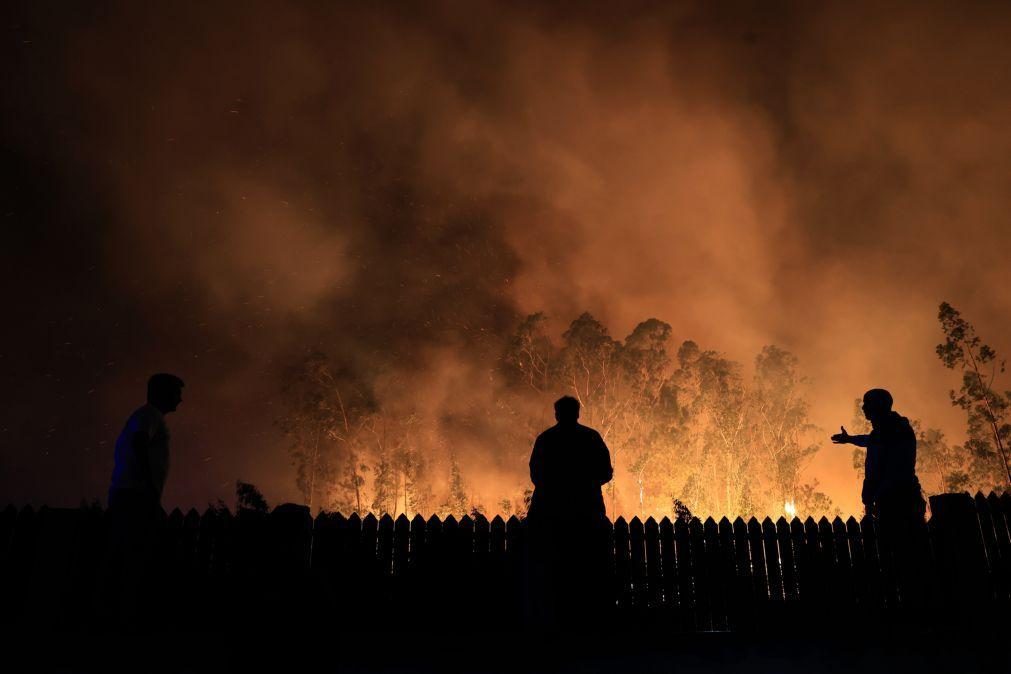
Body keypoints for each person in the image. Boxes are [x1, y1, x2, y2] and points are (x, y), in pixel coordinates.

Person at [832, 388, 927, 606]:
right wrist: (850, 439)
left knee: (903, 557)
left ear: (879, 406)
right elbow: (871, 441)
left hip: (899, 502)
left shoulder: (895, 431)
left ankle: (914, 609)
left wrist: (875, 497)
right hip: (891, 500)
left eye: (867, 404)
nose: (863, 408)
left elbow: (893, 470)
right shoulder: (887, 430)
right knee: (896, 557)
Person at [526, 396, 614, 626]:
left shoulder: (546, 440)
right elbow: (606, 472)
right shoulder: (591, 438)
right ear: (577, 413)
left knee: (553, 574)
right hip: (587, 515)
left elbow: (536, 475)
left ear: (556, 414)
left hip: (550, 516)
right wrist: (584, 484)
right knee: (587, 573)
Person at [105, 372, 184, 624]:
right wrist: (150, 489)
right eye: (176, 393)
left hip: (130, 495)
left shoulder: (145, 415)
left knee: (128, 554)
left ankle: (120, 613)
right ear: (163, 393)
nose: (180, 400)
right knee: (135, 556)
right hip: (135, 497)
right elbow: (140, 442)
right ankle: (125, 617)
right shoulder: (150, 416)